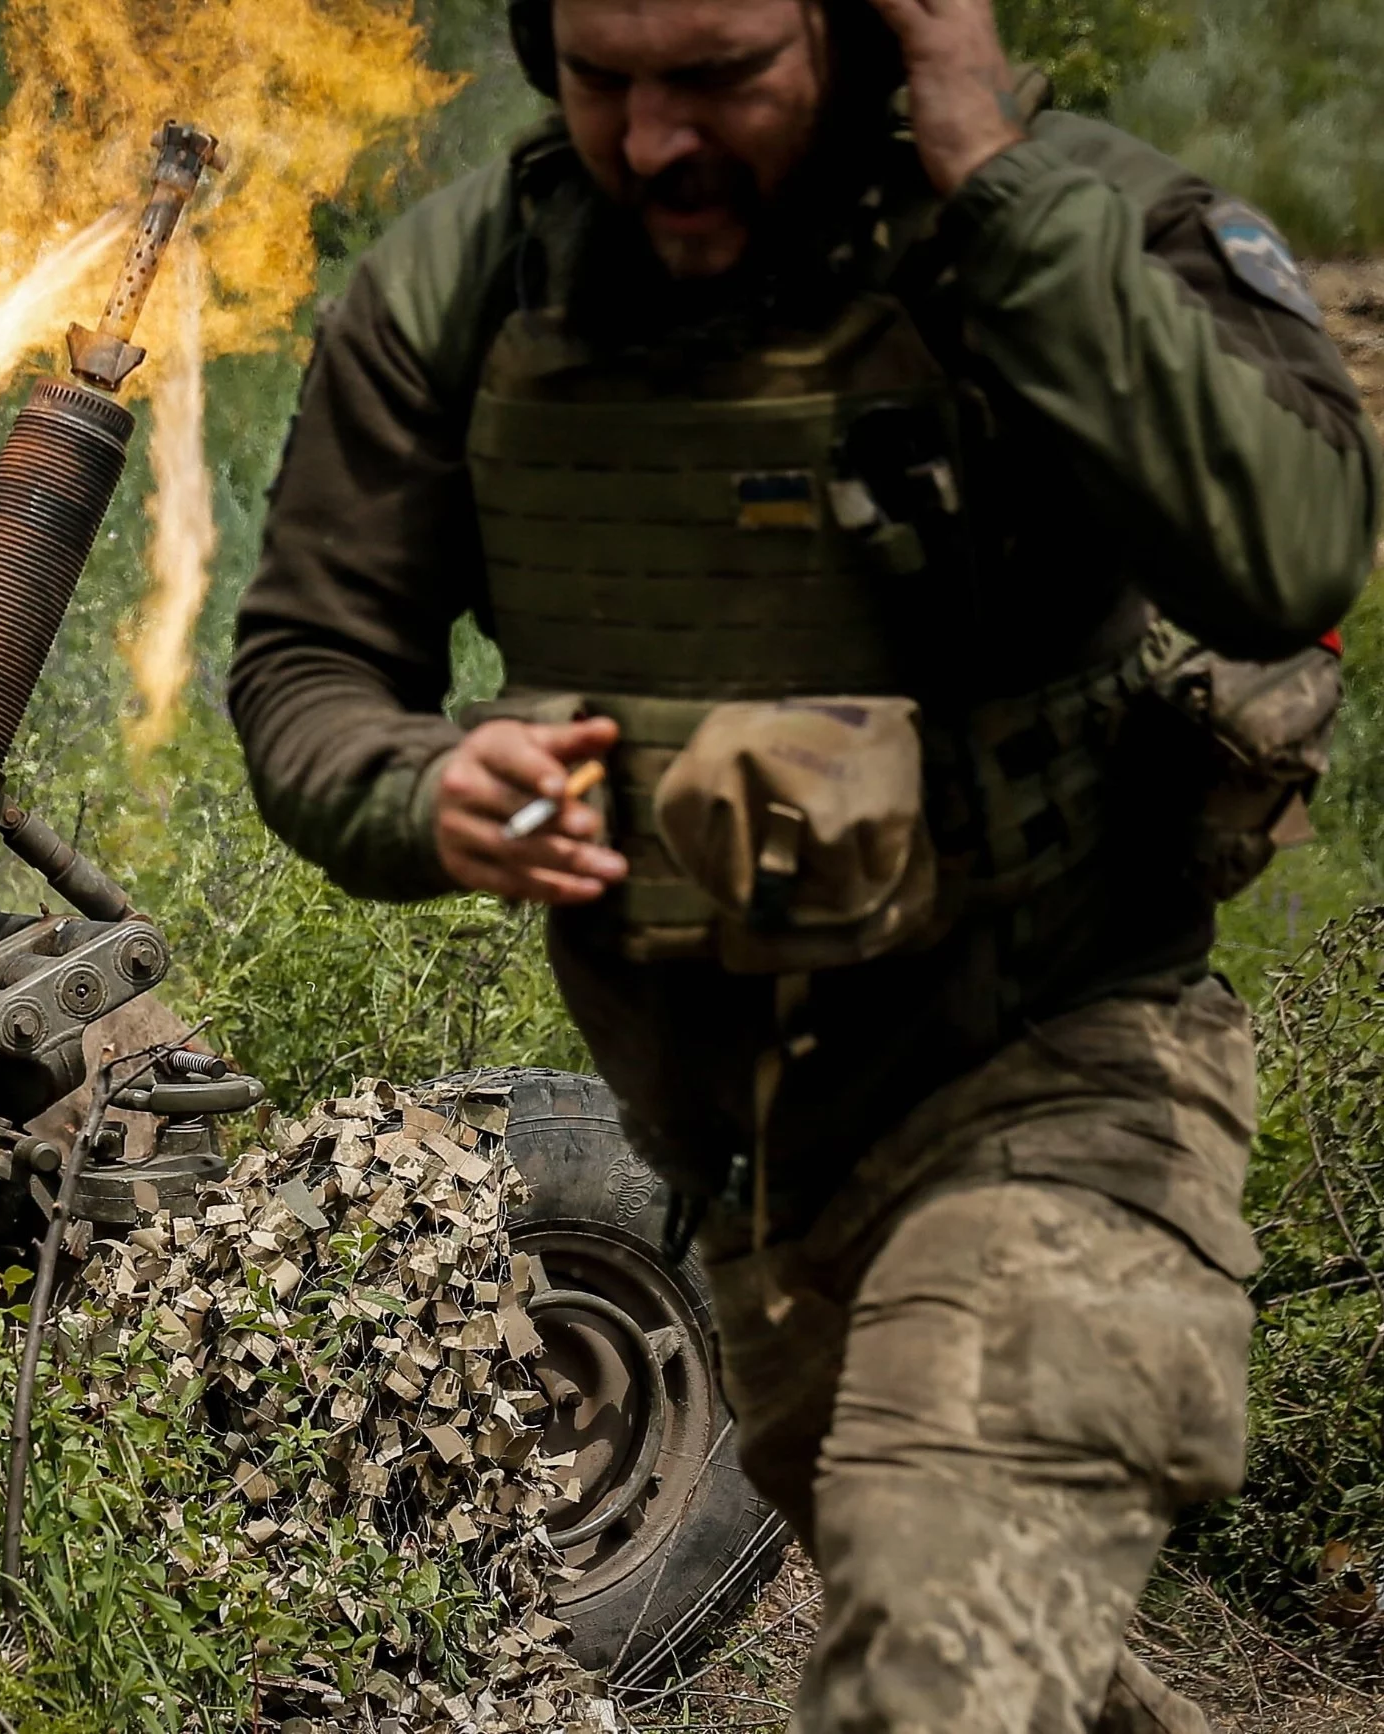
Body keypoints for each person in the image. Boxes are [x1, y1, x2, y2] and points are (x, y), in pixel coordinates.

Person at [229, 0, 1379, 1727]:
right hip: (740, 1164)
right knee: (961, 1627)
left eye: (716, 76)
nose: (657, 141)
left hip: (1060, 1076)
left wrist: (994, 186)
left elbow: (1286, 550)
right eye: (604, 80)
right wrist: (420, 786)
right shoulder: (469, 286)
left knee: (929, 1677)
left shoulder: (1073, 225)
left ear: (867, 31)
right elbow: (307, 665)